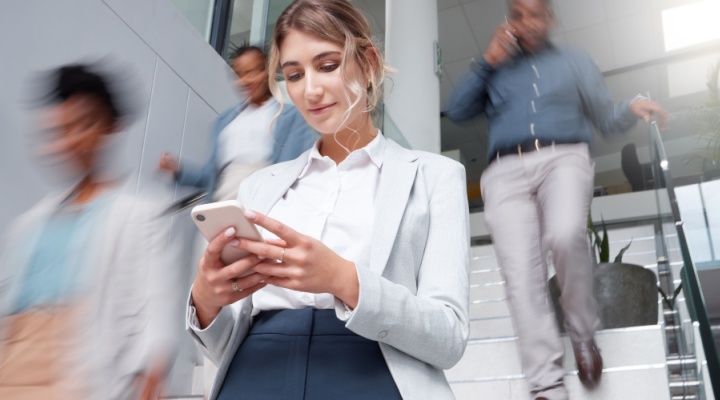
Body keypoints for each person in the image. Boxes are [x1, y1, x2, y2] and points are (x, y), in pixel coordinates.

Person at [186, 1, 470, 399]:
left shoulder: (435, 177)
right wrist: (206, 300)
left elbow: (449, 337)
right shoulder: (260, 186)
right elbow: (224, 342)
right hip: (256, 371)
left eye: (328, 65)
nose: (311, 90)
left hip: (372, 372)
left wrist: (342, 279)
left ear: (368, 63)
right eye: (295, 75)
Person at [445, 0, 668, 399]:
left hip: (563, 157)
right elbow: (458, 110)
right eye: (517, 14)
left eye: (535, 13)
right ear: (509, 20)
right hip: (504, 172)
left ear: (550, 18)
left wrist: (631, 106)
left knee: (566, 236)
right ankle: (546, 385)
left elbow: (604, 115)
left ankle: (582, 334)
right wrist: (486, 61)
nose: (526, 22)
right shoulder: (496, 69)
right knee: (521, 278)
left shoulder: (575, 61)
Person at [0, 64, 179, 399]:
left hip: (82, 372)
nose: (71, 139)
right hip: (14, 366)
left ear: (111, 126)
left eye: (84, 124)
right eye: (61, 129)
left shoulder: (144, 214)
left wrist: (152, 371)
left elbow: (158, 303)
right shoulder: (29, 223)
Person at [159, 44, 316, 202]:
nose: (244, 81)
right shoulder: (224, 122)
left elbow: (292, 171)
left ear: (267, 72)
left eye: (251, 73)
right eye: (238, 75)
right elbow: (210, 177)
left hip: (260, 206)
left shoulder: (289, 117)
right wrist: (179, 171)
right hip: (221, 206)